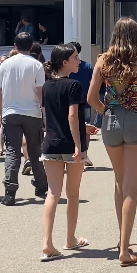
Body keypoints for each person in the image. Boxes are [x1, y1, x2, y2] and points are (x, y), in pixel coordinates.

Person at [87, 17, 137, 267]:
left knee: (119, 181)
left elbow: (91, 97)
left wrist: (106, 111)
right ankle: (125, 250)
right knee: (131, 187)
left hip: (111, 121)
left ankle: (121, 239)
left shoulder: (103, 60)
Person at [38, 44, 89, 261]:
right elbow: (71, 117)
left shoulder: (47, 86)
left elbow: (50, 116)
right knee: (73, 193)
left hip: (50, 142)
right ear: (65, 61)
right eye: (75, 58)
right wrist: (79, 144)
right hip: (70, 143)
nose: (79, 61)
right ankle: (70, 238)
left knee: (53, 193)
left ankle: (47, 242)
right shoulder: (74, 85)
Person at [0, 32, 48, 205]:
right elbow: (40, 92)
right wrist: (44, 113)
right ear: (31, 46)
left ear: (14, 46)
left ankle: (10, 192)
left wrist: (1, 111)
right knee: (35, 150)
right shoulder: (37, 65)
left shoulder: (6, 64)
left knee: (12, 151)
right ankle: (41, 186)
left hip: (10, 112)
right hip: (32, 112)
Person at [67, 42, 95, 167]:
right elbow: (93, 80)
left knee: (71, 126)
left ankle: (73, 152)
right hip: (84, 100)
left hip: (69, 101)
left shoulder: (66, 66)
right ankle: (84, 153)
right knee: (86, 129)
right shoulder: (87, 66)